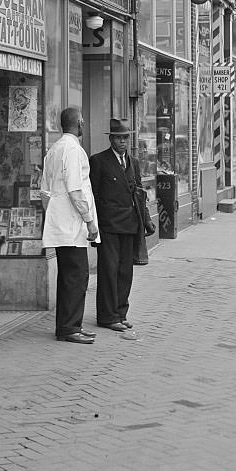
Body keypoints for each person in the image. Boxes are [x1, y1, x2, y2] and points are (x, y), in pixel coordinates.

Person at [40, 107, 99, 345]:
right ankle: (69, 327)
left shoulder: (54, 150)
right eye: (83, 122)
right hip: (72, 226)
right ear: (80, 123)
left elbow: (44, 190)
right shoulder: (73, 150)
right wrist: (89, 221)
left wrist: (53, 215)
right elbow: (76, 189)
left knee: (68, 276)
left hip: (61, 223)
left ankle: (69, 325)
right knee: (77, 276)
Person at [90, 118, 149, 333]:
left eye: (125, 138)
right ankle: (107, 316)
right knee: (109, 271)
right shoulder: (99, 161)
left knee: (125, 271)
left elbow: (139, 192)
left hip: (130, 225)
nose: (122, 142)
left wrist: (146, 219)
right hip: (109, 226)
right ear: (111, 139)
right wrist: (95, 225)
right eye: (118, 138)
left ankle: (121, 312)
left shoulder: (133, 161)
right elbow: (93, 195)